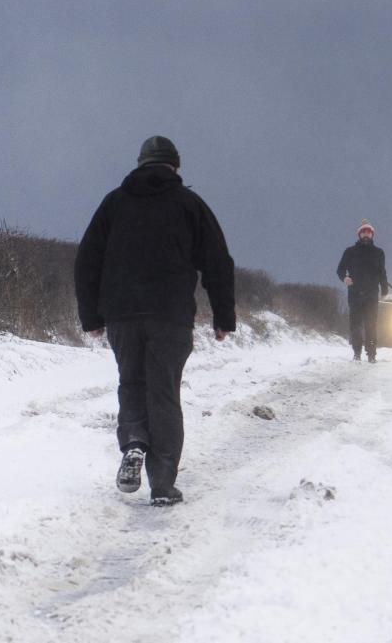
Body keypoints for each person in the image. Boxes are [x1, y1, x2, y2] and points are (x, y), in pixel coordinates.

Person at [74, 136, 235, 506]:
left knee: (131, 382)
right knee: (163, 393)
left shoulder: (114, 203)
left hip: (123, 315)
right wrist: (223, 317)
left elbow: (87, 260)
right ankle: (162, 484)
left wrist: (91, 317)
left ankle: (133, 443)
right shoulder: (190, 204)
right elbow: (217, 262)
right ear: (175, 167)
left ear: (140, 164)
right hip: (171, 316)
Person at [336, 219, 389, 362]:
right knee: (356, 324)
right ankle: (357, 352)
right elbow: (340, 269)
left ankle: (371, 355)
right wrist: (344, 278)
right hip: (355, 294)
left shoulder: (379, 252)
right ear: (359, 234)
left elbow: (382, 273)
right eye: (363, 232)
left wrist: (384, 289)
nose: (366, 234)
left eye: (368, 232)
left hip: (372, 294)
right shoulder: (350, 251)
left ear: (372, 235)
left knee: (371, 325)